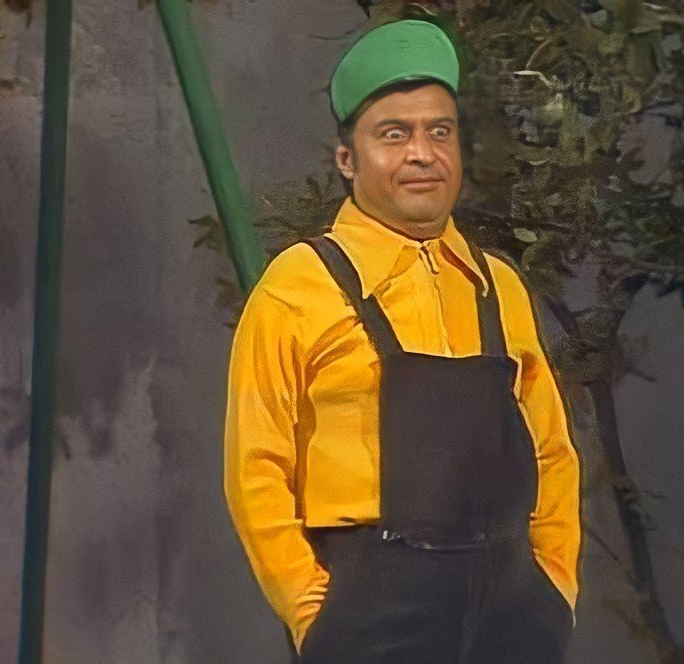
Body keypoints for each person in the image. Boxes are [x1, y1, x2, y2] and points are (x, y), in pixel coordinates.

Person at [224, 18, 581, 664]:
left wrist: (554, 584)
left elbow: (552, 450)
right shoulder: (297, 286)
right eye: (394, 134)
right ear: (347, 159)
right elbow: (256, 468)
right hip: (373, 608)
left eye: (439, 132)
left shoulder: (498, 287)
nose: (422, 154)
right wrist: (311, 611)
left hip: (513, 607)